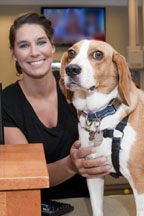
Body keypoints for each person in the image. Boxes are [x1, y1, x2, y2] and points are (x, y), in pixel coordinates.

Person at [2, 12, 111, 202]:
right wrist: (71, 165)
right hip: (33, 204)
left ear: (52, 47)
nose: (34, 52)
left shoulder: (80, 89)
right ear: (13, 53)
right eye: (24, 45)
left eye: (41, 42)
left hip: (85, 202)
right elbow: (28, 175)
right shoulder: (6, 103)